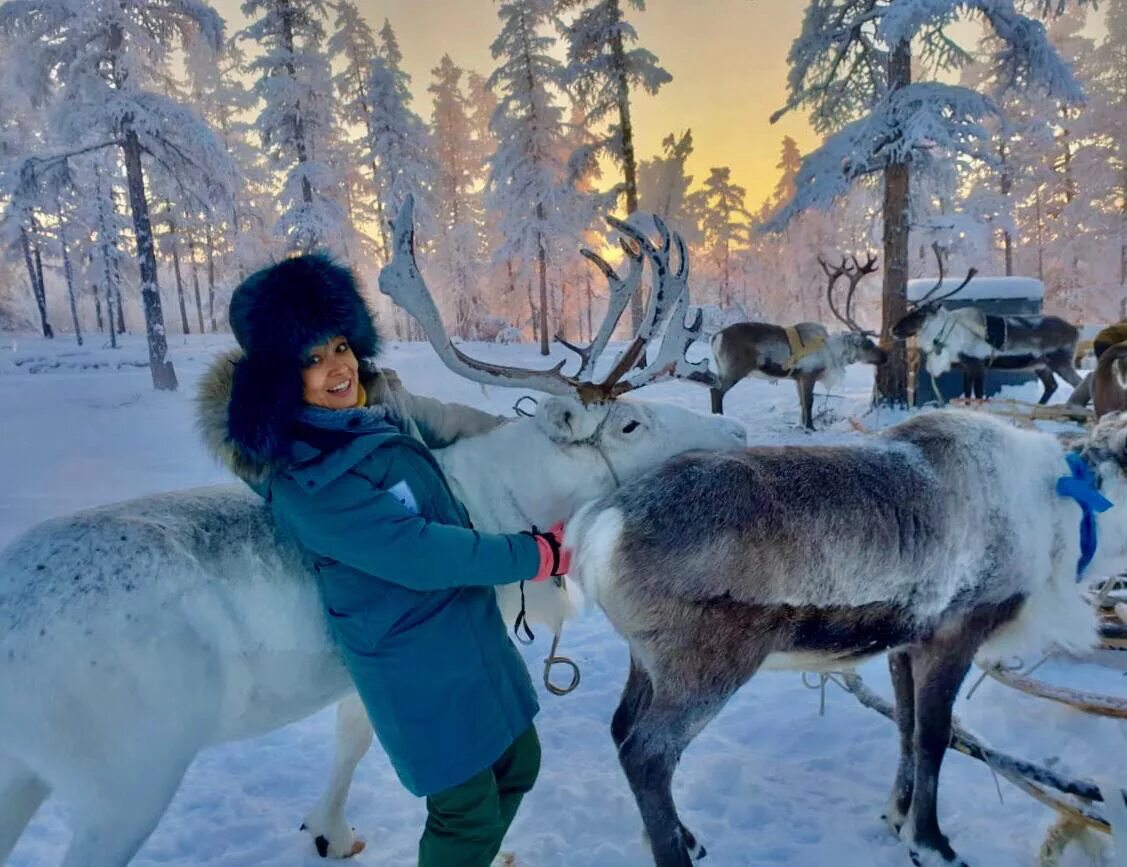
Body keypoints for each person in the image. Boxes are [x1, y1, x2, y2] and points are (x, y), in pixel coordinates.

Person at [196, 253, 569, 866]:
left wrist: (531, 437)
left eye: (339, 346)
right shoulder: (305, 476)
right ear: (282, 379)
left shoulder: (376, 409)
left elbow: (450, 422)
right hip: (410, 662)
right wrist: (535, 556)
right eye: (310, 359)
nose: (335, 367)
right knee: (465, 813)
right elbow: (417, 553)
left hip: (467, 632)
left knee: (519, 763)